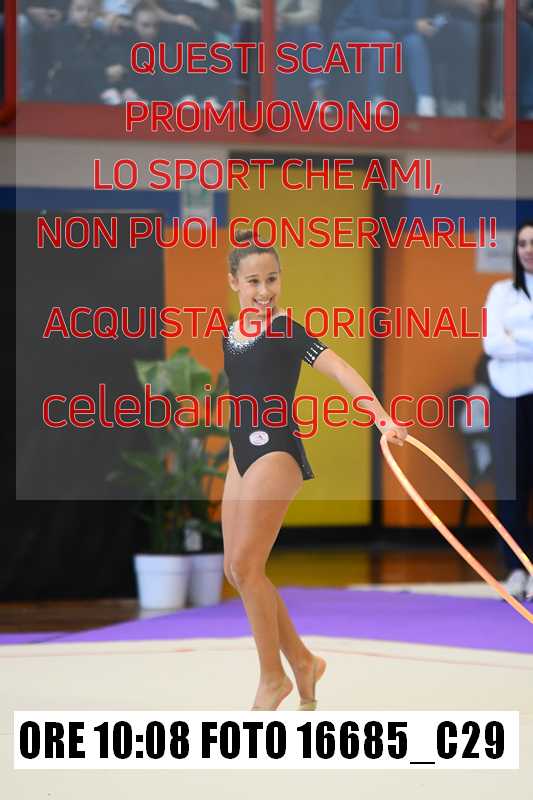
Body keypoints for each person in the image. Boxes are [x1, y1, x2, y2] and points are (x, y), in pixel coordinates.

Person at [221, 231, 407, 711]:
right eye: (254, 281)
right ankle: (303, 662)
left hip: (276, 451)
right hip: (241, 453)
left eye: (272, 279)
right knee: (237, 570)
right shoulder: (230, 332)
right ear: (234, 282)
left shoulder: (286, 329)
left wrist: (382, 418)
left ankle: (272, 678)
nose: (264, 291)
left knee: (247, 567)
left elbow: (340, 369)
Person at [482, 221, 533, 601]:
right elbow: (492, 343)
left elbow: (506, 341)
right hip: (507, 398)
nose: (528, 249)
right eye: (523, 243)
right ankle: (516, 568)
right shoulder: (500, 291)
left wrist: (515, 335)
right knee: (511, 485)